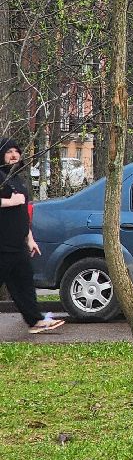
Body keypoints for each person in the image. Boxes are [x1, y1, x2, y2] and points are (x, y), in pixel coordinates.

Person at [0, 138, 63, 334]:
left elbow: (22, 213)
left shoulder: (16, 179)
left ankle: (35, 321)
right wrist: (11, 202)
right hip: (2, 245)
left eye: (16, 151)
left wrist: (30, 239)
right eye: (9, 151)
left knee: (24, 284)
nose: (14, 155)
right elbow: (14, 203)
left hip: (17, 244)